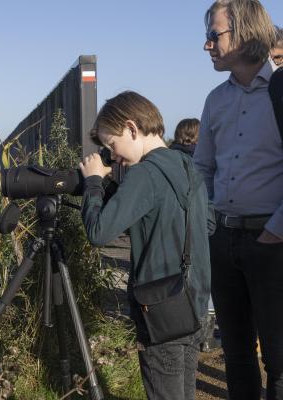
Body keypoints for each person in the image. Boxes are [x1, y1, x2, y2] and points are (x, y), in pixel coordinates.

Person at [79, 91, 213, 399]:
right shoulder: (187, 164)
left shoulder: (144, 174)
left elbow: (98, 232)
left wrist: (94, 183)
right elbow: (209, 223)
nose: (112, 156)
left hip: (161, 310)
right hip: (194, 306)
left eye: (111, 143)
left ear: (131, 128)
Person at [194, 1, 283, 398]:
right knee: (236, 353)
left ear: (245, 33)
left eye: (214, 35)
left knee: (279, 359)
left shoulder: (280, 91)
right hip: (223, 240)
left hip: (273, 242)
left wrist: (274, 232)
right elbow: (202, 170)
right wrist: (206, 224)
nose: (207, 45)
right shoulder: (216, 99)